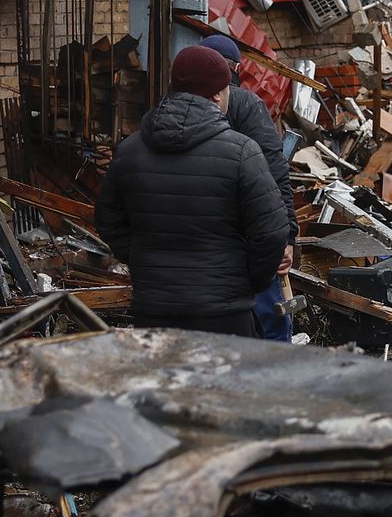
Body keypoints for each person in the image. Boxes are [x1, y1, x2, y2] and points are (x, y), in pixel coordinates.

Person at [96, 45, 295, 336]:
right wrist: (246, 281)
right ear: (217, 95)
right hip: (225, 313)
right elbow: (271, 232)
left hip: (154, 311)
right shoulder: (242, 153)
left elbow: (108, 220)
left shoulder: (129, 151)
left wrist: (145, 260)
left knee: (170, 382)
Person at [198, 33, 298, 341]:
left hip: (199, 244)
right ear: (234, 70)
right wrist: (287, 235)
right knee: (270, 319)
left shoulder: (170, 106)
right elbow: (274, 170)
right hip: (247, 236)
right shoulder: (245, 103)